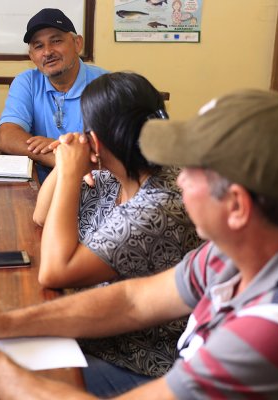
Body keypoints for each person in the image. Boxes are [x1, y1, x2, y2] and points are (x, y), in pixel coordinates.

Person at [0, 89, 278, 399]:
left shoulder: (274, 332)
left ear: (236, 205)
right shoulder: (261, 244)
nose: (175, 179)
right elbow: (136, 301)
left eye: (189, 168)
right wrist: (4, 323)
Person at [33, 72, 201, 391]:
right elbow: (42, 216)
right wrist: (66, 164)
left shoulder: (159, 205)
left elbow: (54, 272)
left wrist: (69, 173)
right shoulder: (122, 174)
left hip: (139, 364)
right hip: (99, 336)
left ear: (95, 142)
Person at [0, 8, 107, 182]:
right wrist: (58, 156)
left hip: (95, 184)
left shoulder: (105, 84)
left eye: (56, 41)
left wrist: (56, 151)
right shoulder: (27, 82)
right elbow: (8, 137)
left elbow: (115, 148)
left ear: (77, 43)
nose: (47, 52)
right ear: (32, 56)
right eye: (38, 46)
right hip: (41, 186)